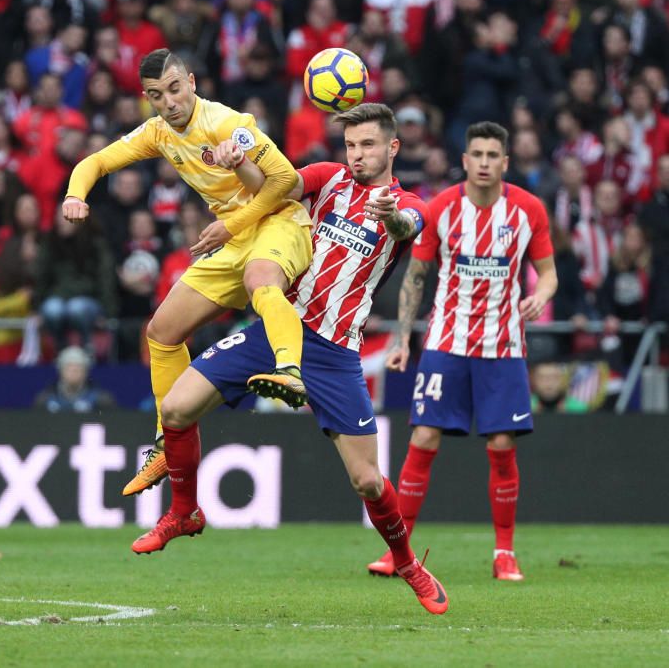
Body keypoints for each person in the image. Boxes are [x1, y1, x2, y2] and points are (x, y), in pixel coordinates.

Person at [132, 103, 449, 616]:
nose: (358, 155)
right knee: (174, 409)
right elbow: (270, 187)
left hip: (335, 354)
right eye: (351, 145)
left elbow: (410, 225)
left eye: (368, 145)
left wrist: (392, 216)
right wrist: (237, 159)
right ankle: (184, 511)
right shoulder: (327, 179)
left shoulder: (407, 201)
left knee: (367, 480)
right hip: (276, 328)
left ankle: (408, 563)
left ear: (392, 147)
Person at [62, 48, 312, 497]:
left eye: (175, 89)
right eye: (157, 95)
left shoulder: (226, 123)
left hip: (278, 224)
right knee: (161, 330)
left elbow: (287, 182)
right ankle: (167, 442)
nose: (169, 102)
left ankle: (290, 371)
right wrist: (74, 195)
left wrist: (231, 222)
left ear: (192, 83)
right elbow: (94, 162)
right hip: (232, 237)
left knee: (260, 281)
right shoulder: (158, 133)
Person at [367, 122, 558, 583]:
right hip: (446, 342)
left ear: (505, 162)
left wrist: (541, 296)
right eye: (478, 154)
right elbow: (416, 275)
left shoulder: (528, 210)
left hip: (504, 345)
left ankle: (504, 553)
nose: (486, 162)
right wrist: (403, 340)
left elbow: (548, 272)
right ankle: (398, 552)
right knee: (424, 438)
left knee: (501, 444)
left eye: (495, 154)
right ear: (466, 160)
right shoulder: (443, 208)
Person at [33, 345, 116, 413]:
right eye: (69, 367)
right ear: (60, 371)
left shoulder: (101, 400)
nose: (74, 371)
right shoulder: (45, 399)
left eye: (78, 367)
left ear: (86, 372)